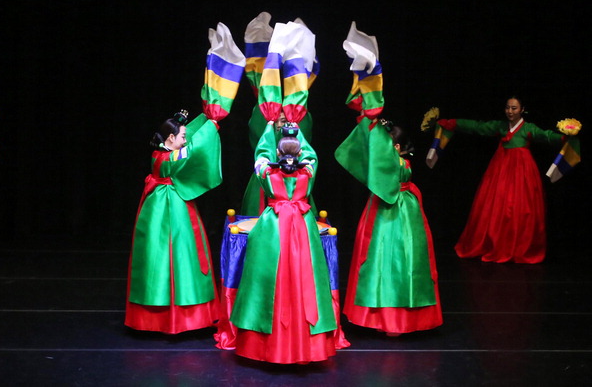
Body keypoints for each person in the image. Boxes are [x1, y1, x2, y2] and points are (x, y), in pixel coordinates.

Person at [230, 123, 338, 364]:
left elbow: (260, 154)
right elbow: (311, 155)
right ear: (299, 152)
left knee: (270, 280)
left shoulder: (267, 173)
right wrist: (297, 132)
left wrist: (269, 128)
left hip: (273, 228)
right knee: (303, 278)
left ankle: (265, 347)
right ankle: (305, 346)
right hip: (302, 227)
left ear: (278, 153)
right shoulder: (308, 171)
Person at [336, 119, 442, 335]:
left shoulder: (400, 164)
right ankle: (378, 316)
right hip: (383, 210)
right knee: (378, 259)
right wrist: (369, 125)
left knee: (401, 259)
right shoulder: (387, 163)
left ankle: (399, 319)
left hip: (400, 212)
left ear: (396, 147)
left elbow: (384, 168)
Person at [436, 96, 567, 263]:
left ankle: (516, 246)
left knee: (520, 208)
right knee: (496, 207)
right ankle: (496, 243)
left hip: (522, 173)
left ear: (522, 110)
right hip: (500, 171)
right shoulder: (501, 126)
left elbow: (546, 135)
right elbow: (478, 126)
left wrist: (564, 138)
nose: (510, 111)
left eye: (514, 108)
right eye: (507, 108)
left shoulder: (528, 128)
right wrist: (453, 123)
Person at [125, 110, 221, 333]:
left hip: (162, 204)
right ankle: (170, 314)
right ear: (170, 138)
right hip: (168, 206)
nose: (185, 140)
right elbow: (192, 150)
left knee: (168, 255)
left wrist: (204, 119)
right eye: (182, 136)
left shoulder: (161, 153)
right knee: (173, 253)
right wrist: (211, 127)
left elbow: (190, 141)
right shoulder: (166, 157)